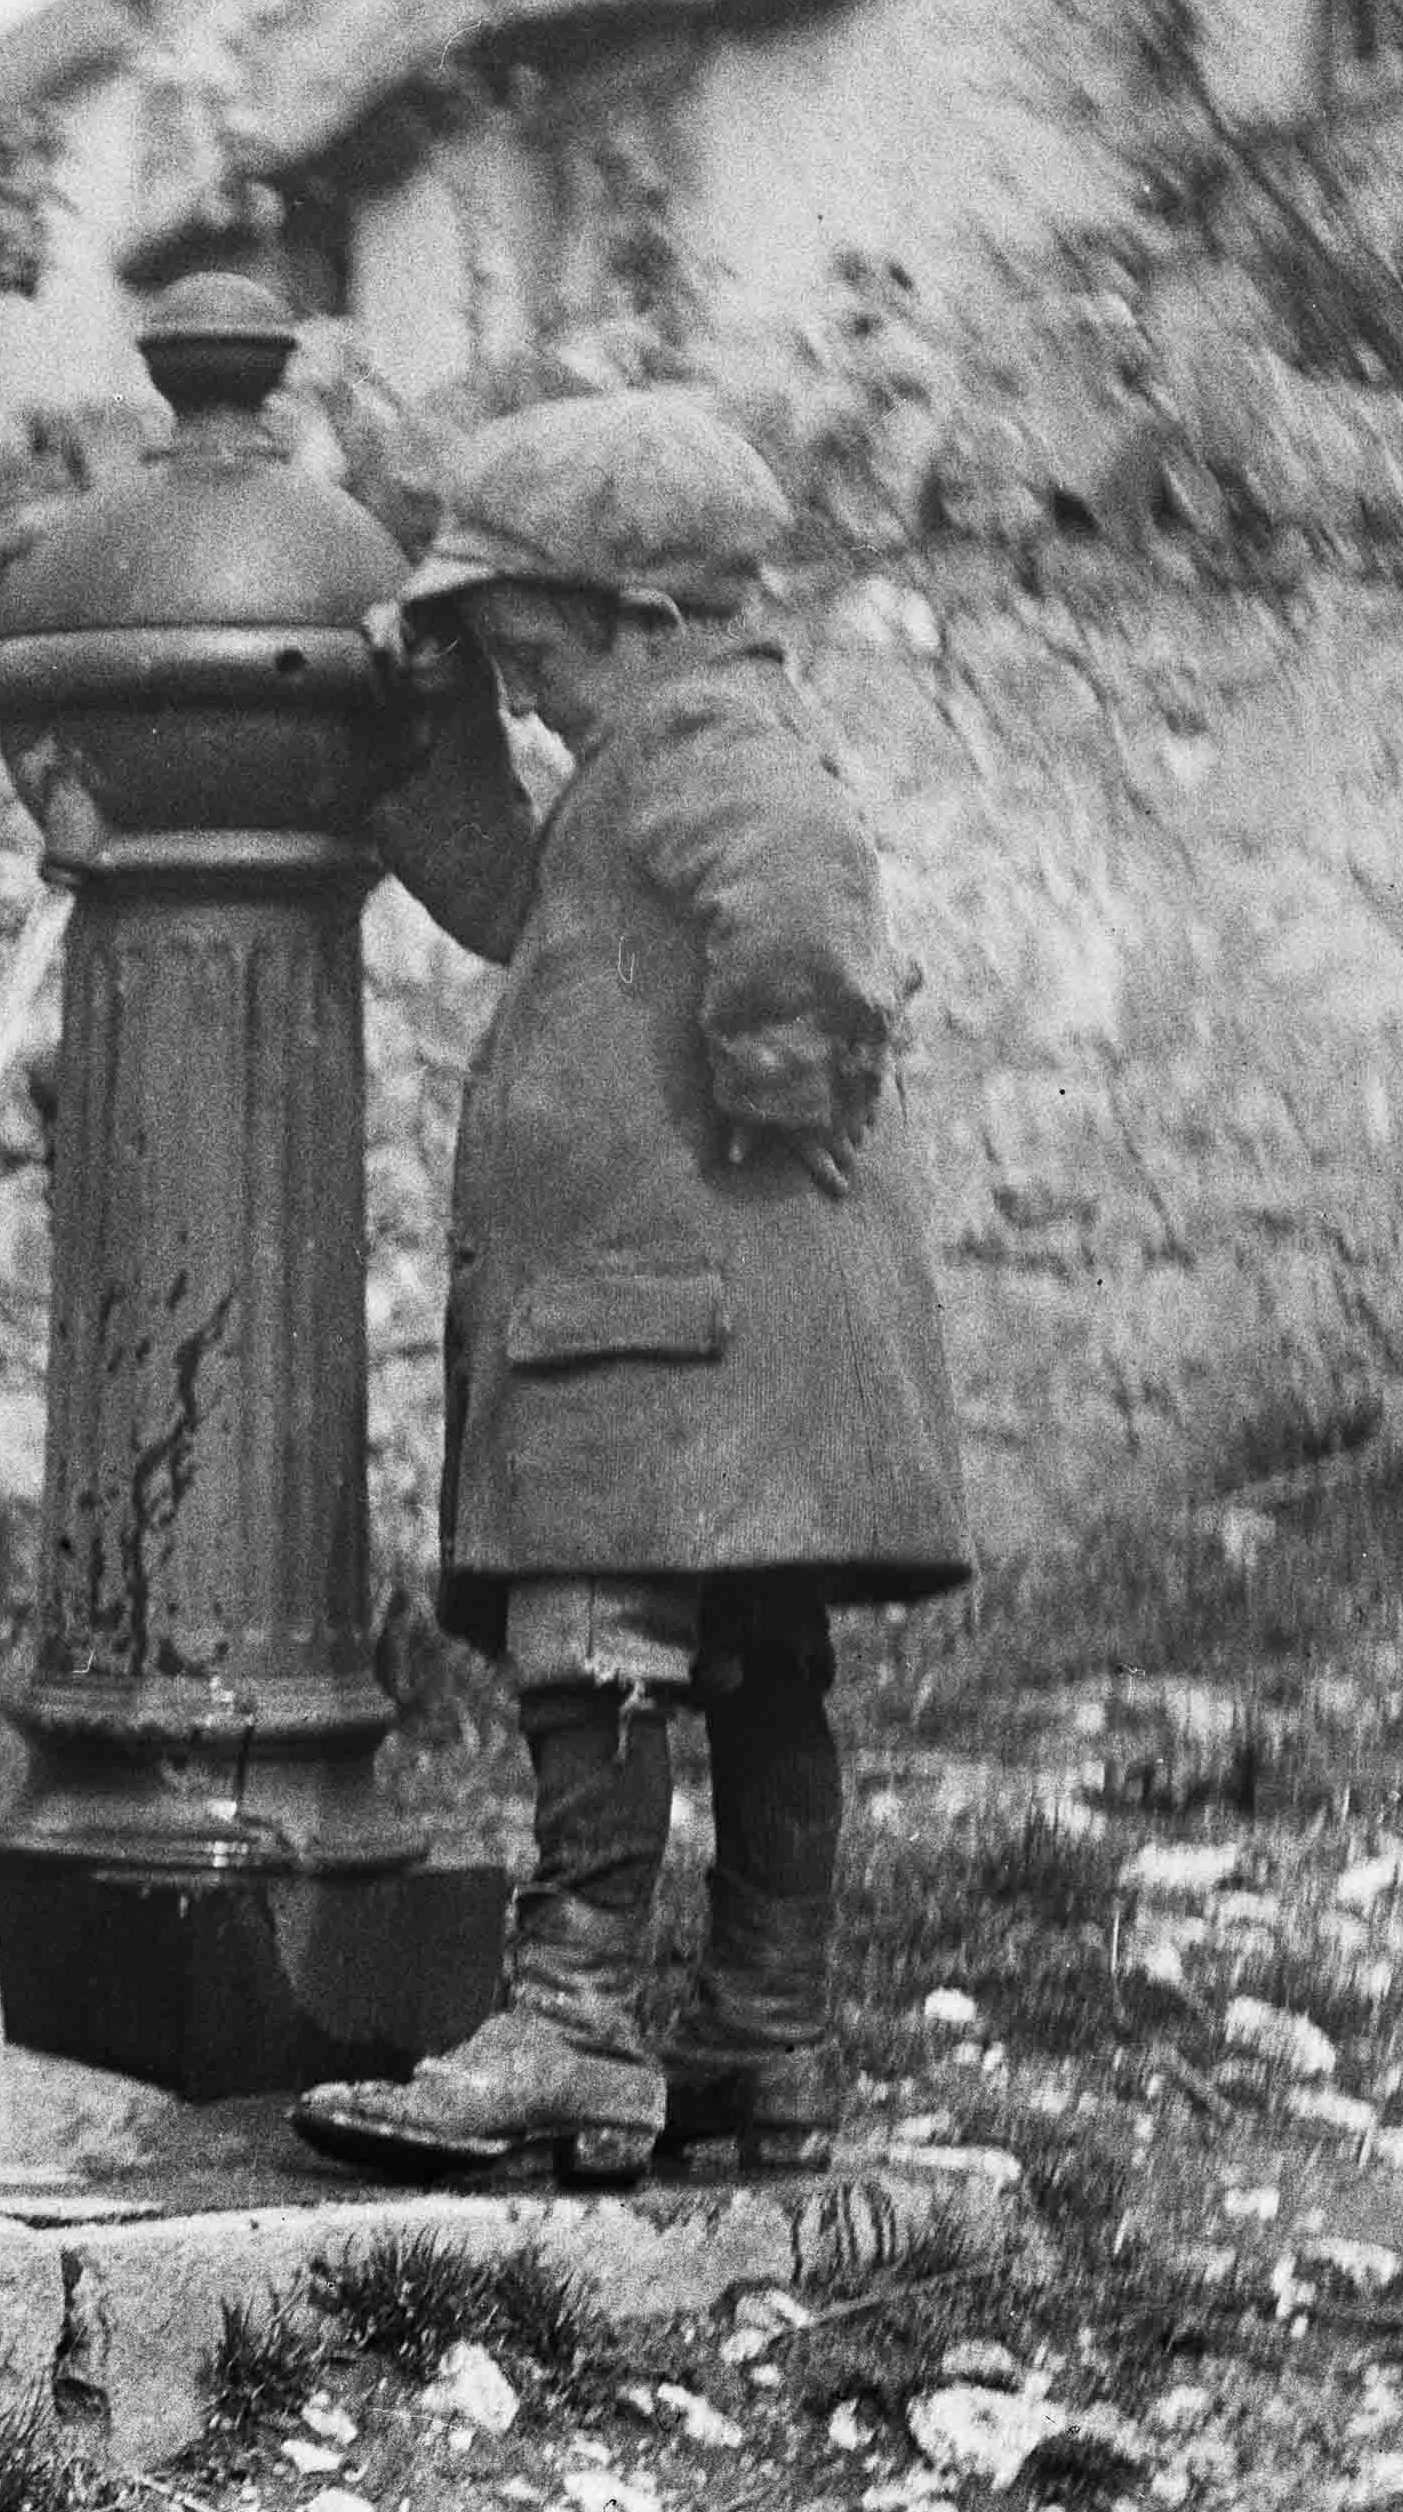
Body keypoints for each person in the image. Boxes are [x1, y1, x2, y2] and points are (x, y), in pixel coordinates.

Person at [293, 391, 974, 2188]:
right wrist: (433, 719)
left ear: (654, 626)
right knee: (755, 1668)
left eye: (530, 661)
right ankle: (763, 2041)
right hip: (701, 1328)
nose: (525, 701)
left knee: (588, 1636)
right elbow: (512, 894)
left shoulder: (699, 741)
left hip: (667, 1318)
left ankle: (576, 2025)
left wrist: (776, 1063)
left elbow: (806, 888)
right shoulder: (635, 767)